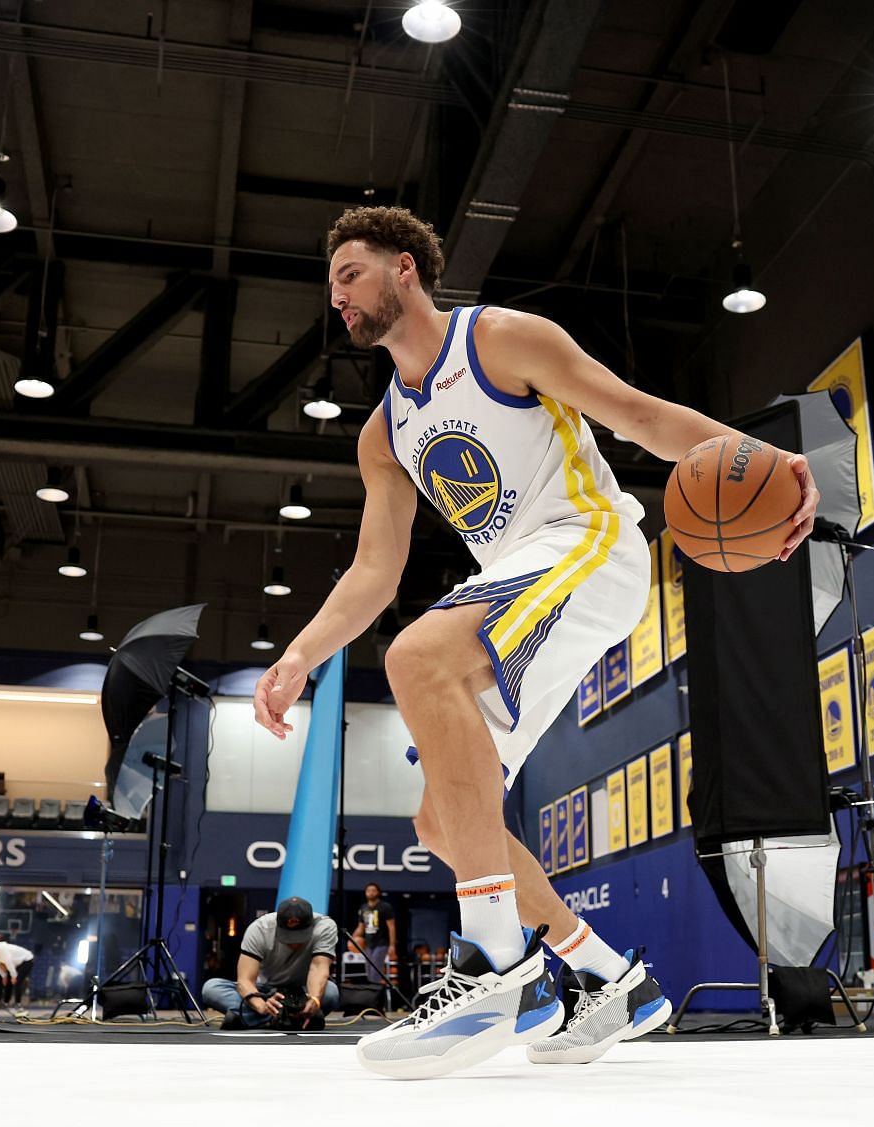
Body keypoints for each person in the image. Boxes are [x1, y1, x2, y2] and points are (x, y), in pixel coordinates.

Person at [254, 208, 818, 1078]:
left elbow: (637, 414)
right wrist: (299, 653)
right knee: (446, 819)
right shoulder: (384, 433)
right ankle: (607, 975)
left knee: (416, 656)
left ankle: (491, 963)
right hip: (524, 575)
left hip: (587, 542)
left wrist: (763, 458)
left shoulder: (501, 340)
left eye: (352, 275)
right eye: (331, 284)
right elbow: (374, 570)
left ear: (405, 269)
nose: (337, 296)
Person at [201, 896, 340, 1030]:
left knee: (331, 993)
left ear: (311, 926)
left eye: (299, 937)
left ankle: (249, 1019)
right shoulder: (259, 929)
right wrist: (261, 1006)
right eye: (288, 937)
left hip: (302, 992)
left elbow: (319, 967)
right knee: (211, 989)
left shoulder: (325, 927)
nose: (294, 943)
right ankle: (291, 1019)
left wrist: (314, 999)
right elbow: (245, 980)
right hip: (264, 991)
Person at [347, 881, 397, 985]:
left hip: (382, 943)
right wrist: (352, 939)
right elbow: (361, 927)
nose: (371, 893)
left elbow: (391, 927)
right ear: (365, 893)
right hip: (368, 944)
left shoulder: (385, 907)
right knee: (369, 971)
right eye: (368, 890)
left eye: (373, 890)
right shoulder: (363, 908)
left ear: (378, 892)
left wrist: (392, 945)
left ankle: (376, 995)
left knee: (375, 970)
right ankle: (373, 993)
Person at [0, 938, 35, 1005]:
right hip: (16, 964)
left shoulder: (2, 950)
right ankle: (6, 1002)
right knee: (8, 981)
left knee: (17, 981)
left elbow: (9, 963)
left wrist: (14, 976)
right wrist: (4, 976)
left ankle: (18, 1003)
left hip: (26, 960)